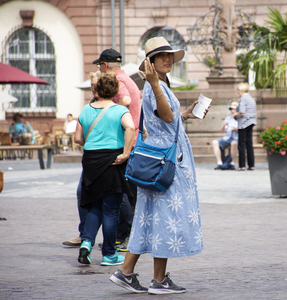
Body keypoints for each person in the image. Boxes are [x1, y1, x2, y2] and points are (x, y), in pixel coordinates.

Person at [109, 37, 205, 294]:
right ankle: (158, 280)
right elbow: (166, 115)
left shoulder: (159, 85)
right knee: (163, 218)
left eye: (170, 55)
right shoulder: (153, 85)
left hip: (159, 161)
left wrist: (187, 114)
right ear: (150, 61)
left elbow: (168, 120)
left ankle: (126, 271)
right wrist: (157, 88)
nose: (168, 59)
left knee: (148, 217)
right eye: (161, 55)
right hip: (164, 163)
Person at [74, 73, 135, 265]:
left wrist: (92, 142)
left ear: (96, 90)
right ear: (115, 91)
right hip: (112, 160)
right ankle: (109, 254)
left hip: (91, 160)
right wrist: (125, 153)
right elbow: (131, 128)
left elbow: (78, 139)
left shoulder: (85, 109)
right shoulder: (119, 110)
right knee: (111, 210)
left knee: (94, 206)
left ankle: (86, 243)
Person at [93, 48, 143, 251]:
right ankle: (127, 236)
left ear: (105, 66)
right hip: (134, 139)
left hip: (124, 141)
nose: (99, 70)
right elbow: (139, 97)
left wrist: (108, 114)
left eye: (100, 66)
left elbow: (127, 100)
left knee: (122, 192)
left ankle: (125, 237)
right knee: (129, 192)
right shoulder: (129, 79)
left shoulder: (119, 81)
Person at [62, 71, 100, 247]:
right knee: (82, 193)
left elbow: (78, 138)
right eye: (92, 85)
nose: (93, 88)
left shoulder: (113, 105)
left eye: (96, 84)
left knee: (114, 200)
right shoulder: (90, 104)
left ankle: (116, 239)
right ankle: (85, 235)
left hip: (104, 158)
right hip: (92, 158)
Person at [234, 83, 256, 171]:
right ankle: (251, 165)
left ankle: (242, 165)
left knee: (241, 145)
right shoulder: (251, 98)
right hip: (251, 122)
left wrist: (235, 114)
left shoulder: (243, 98)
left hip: (243, 124)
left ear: (241, 91)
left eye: (238, 90)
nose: (237, 92)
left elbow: (242, 112)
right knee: (249, 144)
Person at [212, 101, 239, 170]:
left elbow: (242, 131)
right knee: (214, 142)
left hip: (236, 137)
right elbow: (222, 131)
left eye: (234, 109)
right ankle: (219, 163)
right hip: (227, 137)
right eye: (231, 109)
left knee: (234, 143)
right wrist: (224, 125)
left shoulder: (239, 118)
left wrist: (235, 129)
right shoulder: (228, 118)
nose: (232, 111)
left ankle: (232, 163)